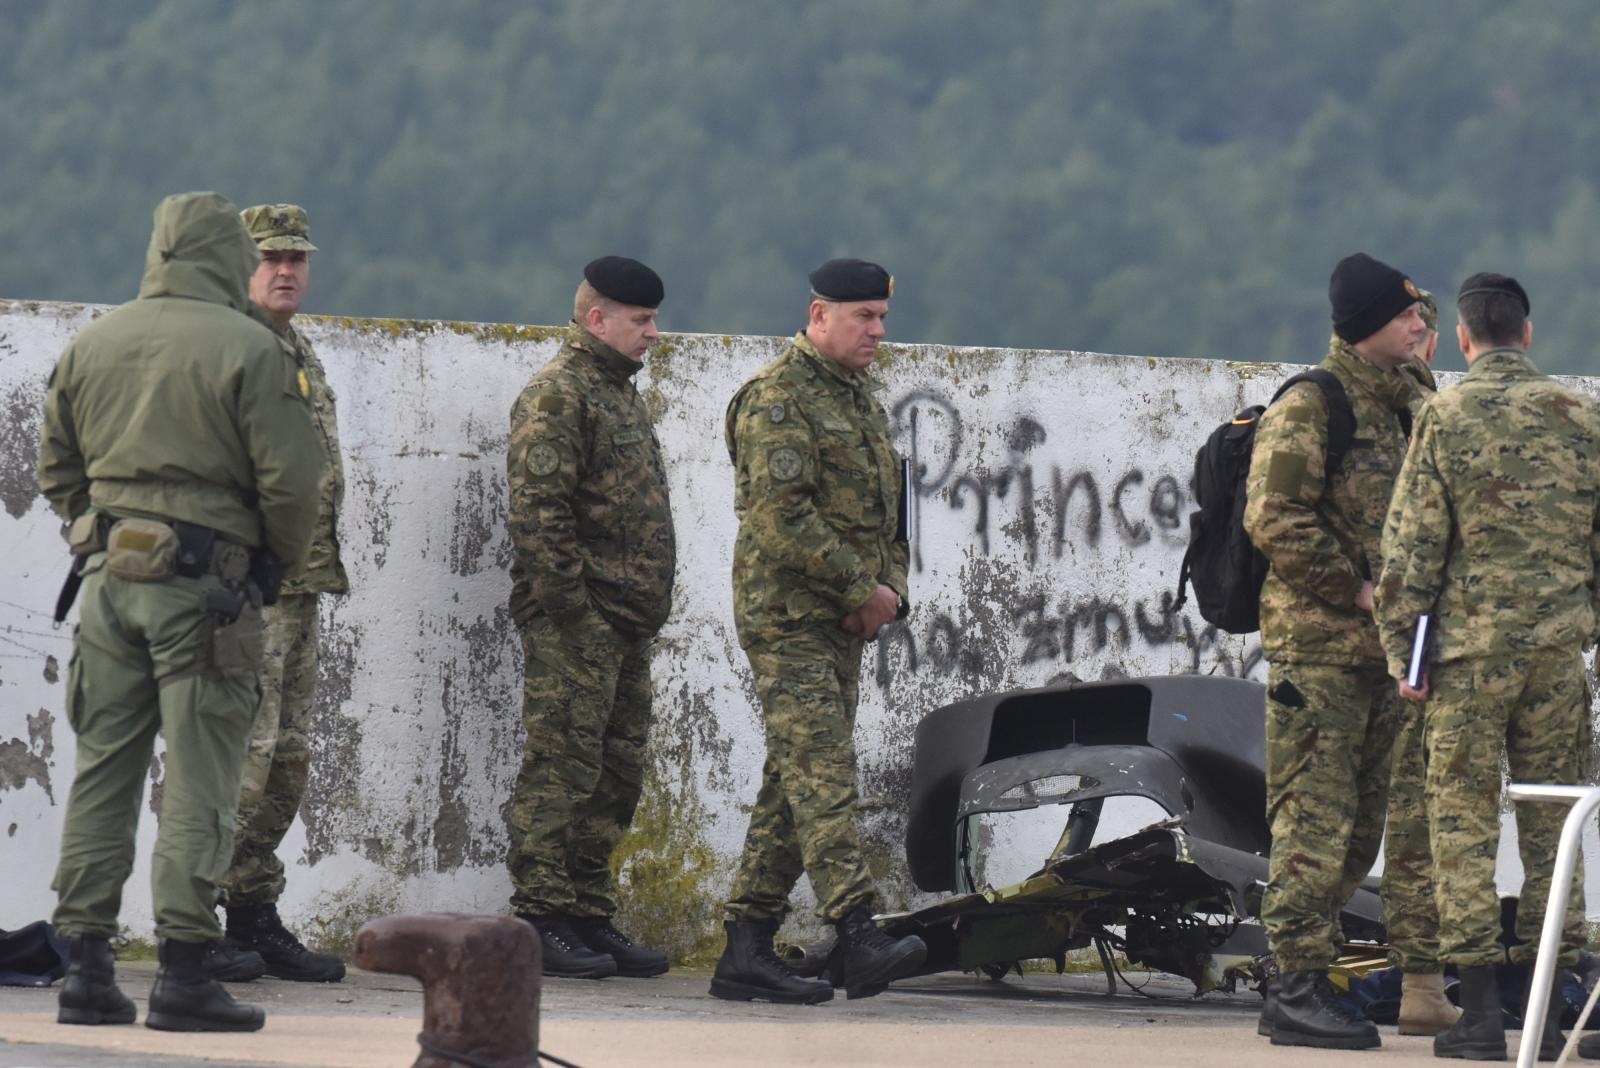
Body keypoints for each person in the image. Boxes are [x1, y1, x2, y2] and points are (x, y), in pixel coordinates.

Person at [37, 191, 321, 1031]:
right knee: (202, 775)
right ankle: (186, 971)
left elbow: (58, 469)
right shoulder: (252, 347)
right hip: (208, 592)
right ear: (228, 256)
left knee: (102, 772)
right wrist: (268, 565)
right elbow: (292, 484)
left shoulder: (96, 341)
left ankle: (85, 968)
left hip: (106, 585)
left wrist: (103, 529)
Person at [1376, 273, 1598, 1061]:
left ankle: (1479, 1017)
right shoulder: (1583, 416)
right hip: (1556, 662)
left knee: (1461, 826)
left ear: (1464, 339)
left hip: (1466, 663)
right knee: (1556, 829)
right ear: (1527, 335)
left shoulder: (1442, 416)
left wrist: (1407, 657)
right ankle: (1557, 1005)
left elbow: (1412, 552)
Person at [709, 258, 926, 1006]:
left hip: (842, 620)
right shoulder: (779, 398)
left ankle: (746, 945)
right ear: (819, 315)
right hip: (789, 618)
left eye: (882, 317)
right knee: (823, 771)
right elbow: (779, 519)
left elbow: (891, 511)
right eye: (864, 316)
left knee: (793, 777)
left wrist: (888, 592)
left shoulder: (856, 398)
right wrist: (859, 588)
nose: (878, 331)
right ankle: (858, 930)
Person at [1243, 252, 1426, 1049]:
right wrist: (1356, 589)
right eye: (1406, 314)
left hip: (1385, 656)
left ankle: (1311, 973)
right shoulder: (1313, 405)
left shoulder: (1408, 404)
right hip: (1320, 653)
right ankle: (1292, 984)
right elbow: (1274, 515)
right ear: (1367, 326)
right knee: (1312, 823)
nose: (1420, 325)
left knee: (1358, 828)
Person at [505, 256, 677, 979]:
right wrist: (575, 613)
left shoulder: (616, 393)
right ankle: (541, 917)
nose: (653, 333)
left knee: (614, 775)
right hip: (580, 623)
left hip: (625, 621)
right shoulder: (558, 394)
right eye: (641, 320)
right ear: (597, 319)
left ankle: (585, 911)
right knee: (562, 769)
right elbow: (538, 514)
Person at [196, 205, 349, 984]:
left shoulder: (295, 347)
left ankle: (253, 909)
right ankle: (193, 924)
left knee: (286, 761)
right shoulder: (225, 347)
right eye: (270, 258)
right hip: (245, 591)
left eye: (297, 258)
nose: (286, 271)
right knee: (235, 761)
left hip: (302, 586)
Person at [1379, 287, 1462, 1036]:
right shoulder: (1429, 412)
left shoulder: (1423, 411)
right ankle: (1436, 986)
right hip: (1421, 643)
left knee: (1412, 813)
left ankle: (1424, 984)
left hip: (1403, 641)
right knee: (1429, 813)